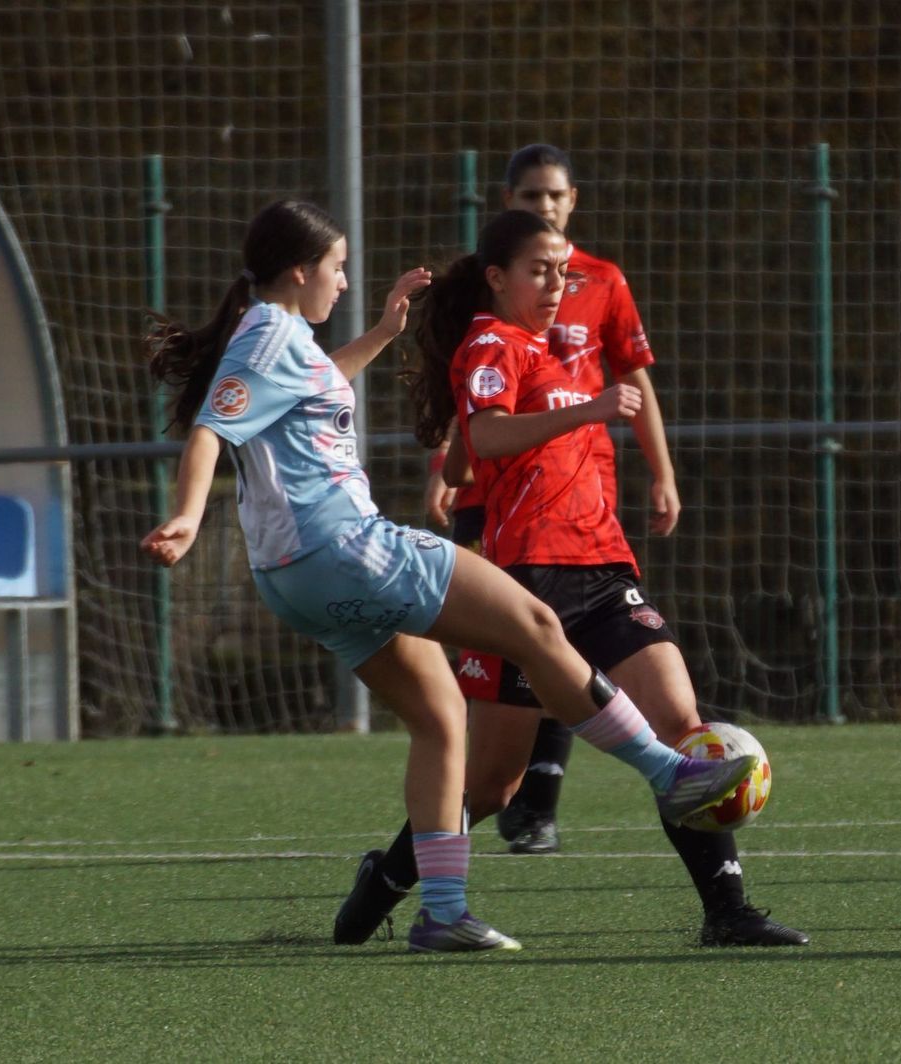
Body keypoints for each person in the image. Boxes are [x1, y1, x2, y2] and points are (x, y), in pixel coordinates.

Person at [139, 200, 756, 955]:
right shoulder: (268, 331)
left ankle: (441, 909)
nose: (343, 282)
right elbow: (213, 424)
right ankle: (669, 773)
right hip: (345, 546)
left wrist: (383, 336)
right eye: (336, 269)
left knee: (439, 720)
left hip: (293, 579)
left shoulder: (282, 338)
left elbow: (306, 387)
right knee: (537, 628)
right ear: (299, 272)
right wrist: (189, 515)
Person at [340, 207, 808, 948]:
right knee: (495, 785)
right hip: (525, 584)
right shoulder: (492, 339)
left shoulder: (552, 349)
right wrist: (576, 412)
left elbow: (476, 447)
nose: (558, 282)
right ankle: (389, 881)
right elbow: (490, 430)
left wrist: (465, 462)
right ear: (497, 278)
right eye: (539, 269)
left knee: (683, 731)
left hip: (603, 570)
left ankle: (728, 910)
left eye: (564, 270)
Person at [422, 144, 679, 857]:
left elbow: (630, 382)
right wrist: (450, 461)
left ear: (574, 202)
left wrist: (661, 468)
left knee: (675, 719)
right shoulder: (498, 311)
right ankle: (402, 868)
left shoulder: (599, 283)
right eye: (530, 196)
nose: (543, 207)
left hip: (589, 524)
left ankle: (726, 904)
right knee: (494, 767)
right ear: (508, 204)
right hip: (513, 518)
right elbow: (483, 407)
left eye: (554, 196)